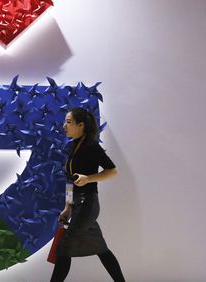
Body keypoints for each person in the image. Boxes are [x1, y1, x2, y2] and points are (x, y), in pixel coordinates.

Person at [50, 107, 126, 282]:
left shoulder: (92, 146)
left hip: (87, 204)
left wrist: (89, 178)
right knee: (101, 249)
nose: (64, 126)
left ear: (81, 125)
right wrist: (67, 206)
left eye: (68, 122)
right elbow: (70, 180)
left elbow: (112, 171)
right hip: (78, 205)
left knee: (64, 248)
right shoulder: (73, 147)